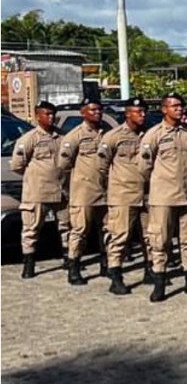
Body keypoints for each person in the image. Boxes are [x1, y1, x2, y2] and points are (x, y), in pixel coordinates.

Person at [139, 93, 187, 301]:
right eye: (174, 106)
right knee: (160, 240)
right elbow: (144, 167)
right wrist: (159, 183)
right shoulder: (153, 134)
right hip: (163, 196)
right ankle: (160, 281)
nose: (179, 109)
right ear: (164, 109)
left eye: (181, 105)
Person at [11, 100, 68, 279]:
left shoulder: (61, 137)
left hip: (60, 190)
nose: (51, 118)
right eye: (47, 114)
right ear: (38, 116)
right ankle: (29, 263)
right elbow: (17, 165)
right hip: (37, 192)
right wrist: (35, 176)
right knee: (31, 229)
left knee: (66, 227)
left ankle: (69, 259)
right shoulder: (29, 139)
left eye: (53, 114)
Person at [58, 98, 112, 285]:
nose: (97, 113)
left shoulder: (106, 133)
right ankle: (74, 266)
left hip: (105, 190)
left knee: (108, 229)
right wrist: (72, 185)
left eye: (99, 109)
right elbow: (64, 165)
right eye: (92, 110)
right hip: (84, 191)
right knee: (80, 230)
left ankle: (107, 264)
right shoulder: (74, 136)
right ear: (83, 112)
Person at [99, 97, 150, 294]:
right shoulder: (113, 136)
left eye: (144, 112)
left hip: (146, 192)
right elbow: (101, 167)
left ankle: (150, 270)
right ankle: (116, 275)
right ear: (128, 114)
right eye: (138, 112)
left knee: (150, 236)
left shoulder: (148, 135)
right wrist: (113, 186)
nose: (142, 115)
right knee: (119, 236)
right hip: (122, 194)